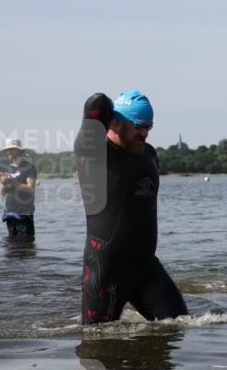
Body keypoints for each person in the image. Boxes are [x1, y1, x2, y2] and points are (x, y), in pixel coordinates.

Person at [74, 91, 187, 325]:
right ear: (115, 122)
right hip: (106, 271)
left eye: (149, 127)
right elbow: (96, 103)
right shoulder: (95, 153)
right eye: (138, 126)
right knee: (99, 345)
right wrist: (111, 108)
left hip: (146, 267)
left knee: (179, 328)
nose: (144, 133)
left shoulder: (149, 155)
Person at [0, 138, 37, 236]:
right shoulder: (8, 169)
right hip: (10, 214)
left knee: (26, 247)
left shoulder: (29, 167)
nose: (8, 151)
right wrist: (4, 182)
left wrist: (12, 181)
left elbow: (30, 189)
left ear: (20, 151)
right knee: (11, 248)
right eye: (7, 149)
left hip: (24, 214)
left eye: (12, 148)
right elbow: (2, 193)